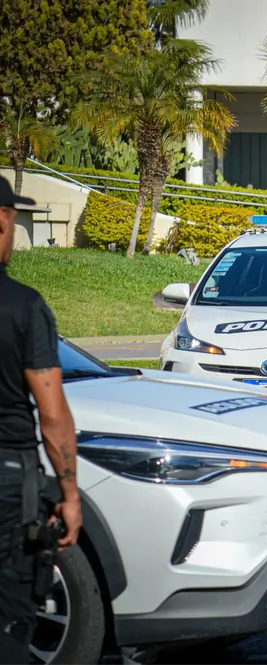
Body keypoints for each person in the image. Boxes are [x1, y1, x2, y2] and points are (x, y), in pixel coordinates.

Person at [0, 175, 82, 664]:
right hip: (8, 484)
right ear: (3, 220)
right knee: (10, 623)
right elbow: (52, 416)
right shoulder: (23, 307)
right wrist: (69, 495)